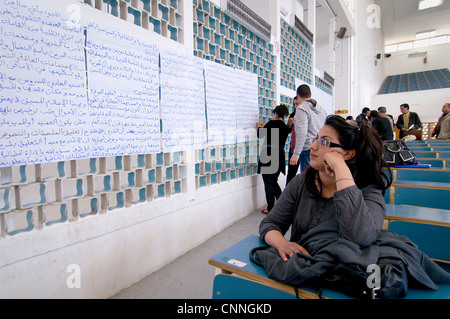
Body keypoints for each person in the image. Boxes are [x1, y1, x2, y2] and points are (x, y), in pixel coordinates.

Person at [259, 115, 392, 261]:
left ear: (347, 154)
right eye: (316, 139)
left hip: (339, 275)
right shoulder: (301, 182)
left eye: (324, 142)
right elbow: (270, 223)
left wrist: (340, 168)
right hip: (300, 270)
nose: (313, 146)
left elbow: (360, 237)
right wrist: (282, 244)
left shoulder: (369, 192)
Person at [257, 105, 292, 214]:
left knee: (268, 182)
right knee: (273, 181)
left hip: (268, 154)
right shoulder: (285, 127)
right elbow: (289, 129)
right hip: (279, 156)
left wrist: (259, 127)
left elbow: (260, 135)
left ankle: (270, 208)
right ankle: (282, 204)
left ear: (276, 113)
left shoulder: (271, 123)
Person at [289, 84, 327, 177]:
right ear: (310, 94)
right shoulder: (322, 109)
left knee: (307, 182)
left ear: (297, 96)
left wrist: (296, 154)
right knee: (318, 179)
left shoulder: (301, 109)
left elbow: (302, 133)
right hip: (321, 148)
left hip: (308, 149)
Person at [286, 96, 300, 185]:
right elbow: (288, 130)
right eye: (294, 104)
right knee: (291, 172)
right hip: (294, 147)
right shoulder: (292, 115)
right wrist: (289, 124)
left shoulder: (307, 114)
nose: (295, 106)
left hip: (305, 147)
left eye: (297, 104)